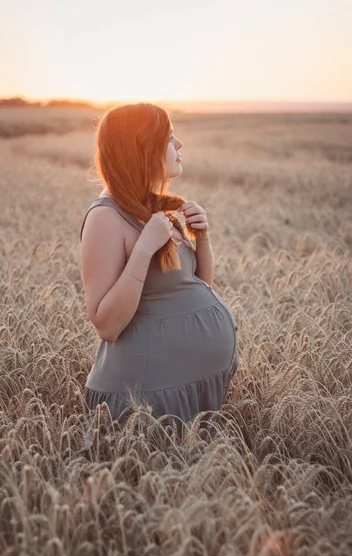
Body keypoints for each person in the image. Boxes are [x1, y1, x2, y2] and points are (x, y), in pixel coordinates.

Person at [79, 103, 239, 436]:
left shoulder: (151, 207)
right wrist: (143, 249)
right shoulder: (105, 218)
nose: (179, 144)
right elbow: (106, 324)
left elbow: (196, 287)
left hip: (185, 387)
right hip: (145, 401)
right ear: (141, 149)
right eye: (168, 137)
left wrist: (202, 238)